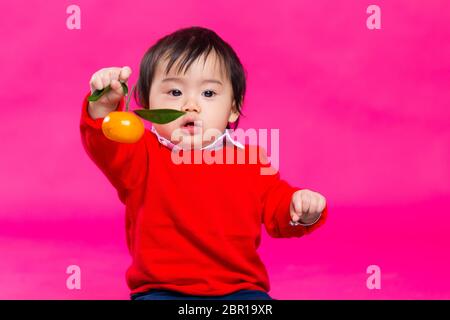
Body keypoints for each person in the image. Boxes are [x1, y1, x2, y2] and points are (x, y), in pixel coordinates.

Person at [80, 26, 328, 300]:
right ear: (147, 103)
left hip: (240, 290)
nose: (191, 105)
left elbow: (278, 209)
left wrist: (302, 207)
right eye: (174, 92)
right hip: (162, 290)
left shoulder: (251, 161)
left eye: (208, 94)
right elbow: (105, 144)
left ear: (233, 108)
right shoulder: (142, 154)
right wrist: (102, 107)